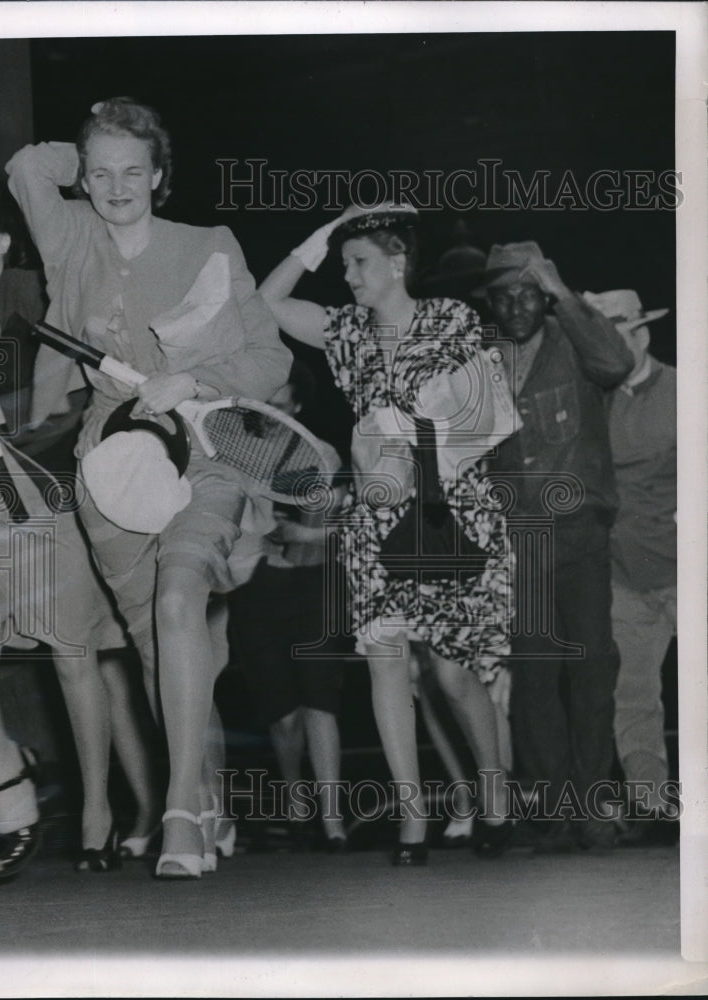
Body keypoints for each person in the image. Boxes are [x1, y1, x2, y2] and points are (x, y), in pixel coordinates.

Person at [7, 97, 291, 879]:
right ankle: (204, 797)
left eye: (134, 170)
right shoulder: (70, 241)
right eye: (100, 173)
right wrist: (93, 143)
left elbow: (272, 361)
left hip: (208, 447)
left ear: (161, 176)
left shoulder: (209, 245)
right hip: (116, 468)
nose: (116, 186)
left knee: (179, 601)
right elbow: (27, 168)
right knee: (153, 650)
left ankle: (178, 814)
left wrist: (189, 376)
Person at [260, 204, 516, 865]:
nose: (347, 275)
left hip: (448, 512)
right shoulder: (346, 333)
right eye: (343, 264)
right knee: (385, 660)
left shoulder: (451, 322)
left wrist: (410, 435)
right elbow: (268, 299)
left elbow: (488, 415)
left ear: (397, 262)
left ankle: (495, 799)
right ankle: (411, 819)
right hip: (377, 522)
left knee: (454, 676)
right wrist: (330, 231)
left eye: (359, 262)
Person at [0, 182, 161, 877]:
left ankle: (100, 812)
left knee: (77, 658)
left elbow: (78, 397)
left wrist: (0, 421)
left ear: (4, 239)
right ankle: (2, 780)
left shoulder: (31, 300)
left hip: (40, 500)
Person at [479, 241, 634, 853]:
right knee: (535, 672)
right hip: (516, 537)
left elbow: (617, 364)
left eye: (529, 292)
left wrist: (565, 292)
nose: (517, 305)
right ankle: (547, 810)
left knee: (593, 666)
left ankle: (595, 803)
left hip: (579, 529)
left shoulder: (574, 339)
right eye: (505, 295)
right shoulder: (480, 359)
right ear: (490, 302)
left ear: (545, 295)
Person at [228, 360, 348, 850]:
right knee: (282, 713)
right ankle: (298, 802)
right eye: (262, 406)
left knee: (321, 703)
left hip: (317, 585)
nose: (270, 415)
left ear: (297, 405)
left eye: (278, 406)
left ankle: (333, 821)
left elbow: (349, 529)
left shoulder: (323, 456)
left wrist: (303, 531)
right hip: (258, 588)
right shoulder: (233, 453)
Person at [582, 289, 677, 844]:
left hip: (688, 572)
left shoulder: (687, 391)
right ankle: (652, 804)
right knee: (634, 698)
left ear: (640, 335)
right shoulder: (592, 400)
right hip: (622, 578)